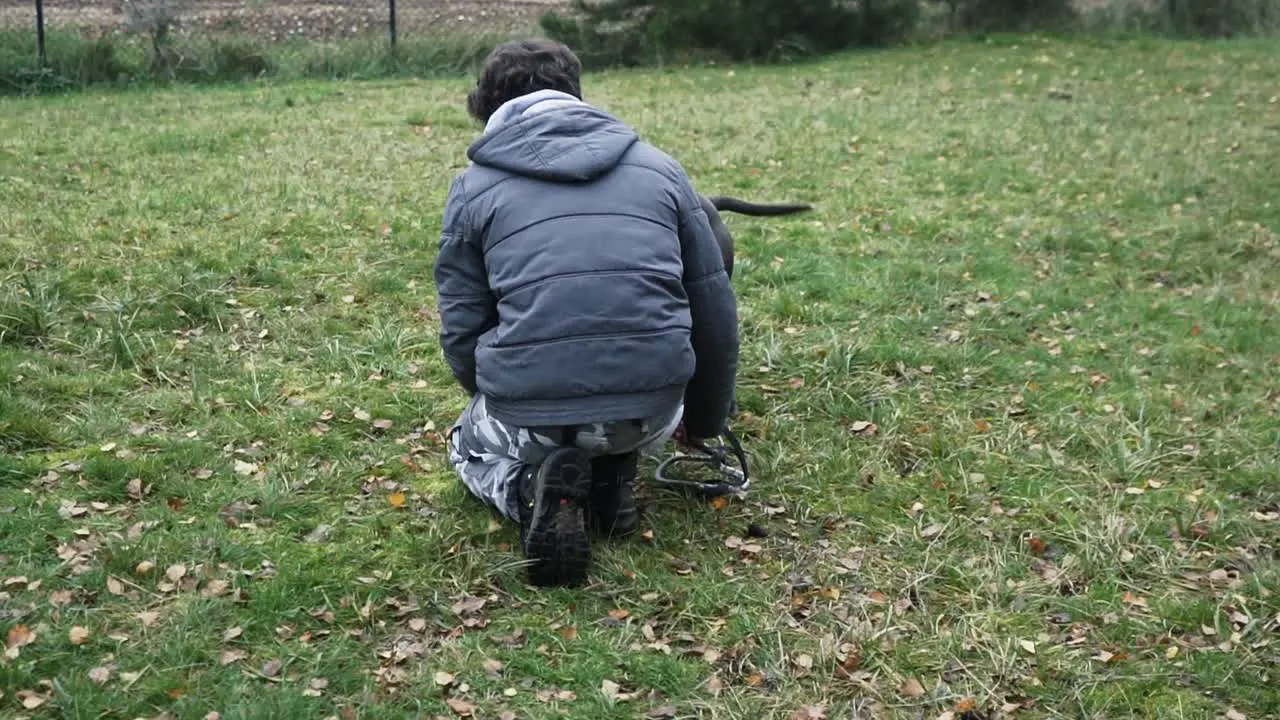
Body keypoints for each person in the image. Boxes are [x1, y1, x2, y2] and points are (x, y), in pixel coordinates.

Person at [434, 39, 739, 588]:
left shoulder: (471, 189)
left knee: (464, 442)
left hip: (533, 417)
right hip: (652, 416)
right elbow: (714, 312)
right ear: (576, 95)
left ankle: (528, 493)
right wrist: (706, 420)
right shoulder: (664, 170)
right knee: (615, 418)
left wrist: (493, 391)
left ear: (485, 107)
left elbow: (462, 324)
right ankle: (611, 479)